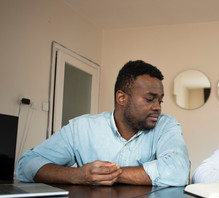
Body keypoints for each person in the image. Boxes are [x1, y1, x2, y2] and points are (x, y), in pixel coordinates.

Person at [16, 60, 190, 186]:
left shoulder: (166, 125)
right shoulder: (82, 128)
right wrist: (77, 175)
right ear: (121, 98)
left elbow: (178, 171)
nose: (157, 107)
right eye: (149, 99)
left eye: (160, 101)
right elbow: (26, 165)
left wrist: (110, 174)